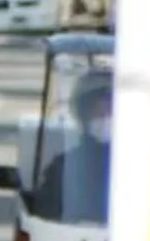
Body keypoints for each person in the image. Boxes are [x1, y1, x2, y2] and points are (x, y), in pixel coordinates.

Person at [29, 73, 113, 223]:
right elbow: (44, 214)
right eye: (99, 113)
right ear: (84, 116)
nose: (106, 118)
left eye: (111, 112)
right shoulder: (64, 166)